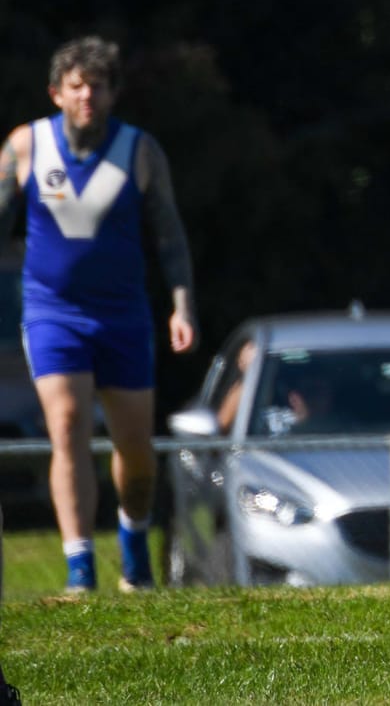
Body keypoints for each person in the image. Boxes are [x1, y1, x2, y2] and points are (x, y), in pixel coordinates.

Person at [0, 37, 198, 593]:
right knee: (66, 428)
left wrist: (182, 306)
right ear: (56, 92)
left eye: (99, 85)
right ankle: (79, 568)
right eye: (77, 85)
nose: (88, 95)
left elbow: (170, 236)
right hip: (51, 312)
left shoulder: (138, 151)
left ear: (113, 93)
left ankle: (133, 541)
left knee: (135, 450)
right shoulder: (25, 146)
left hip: (123, 317)